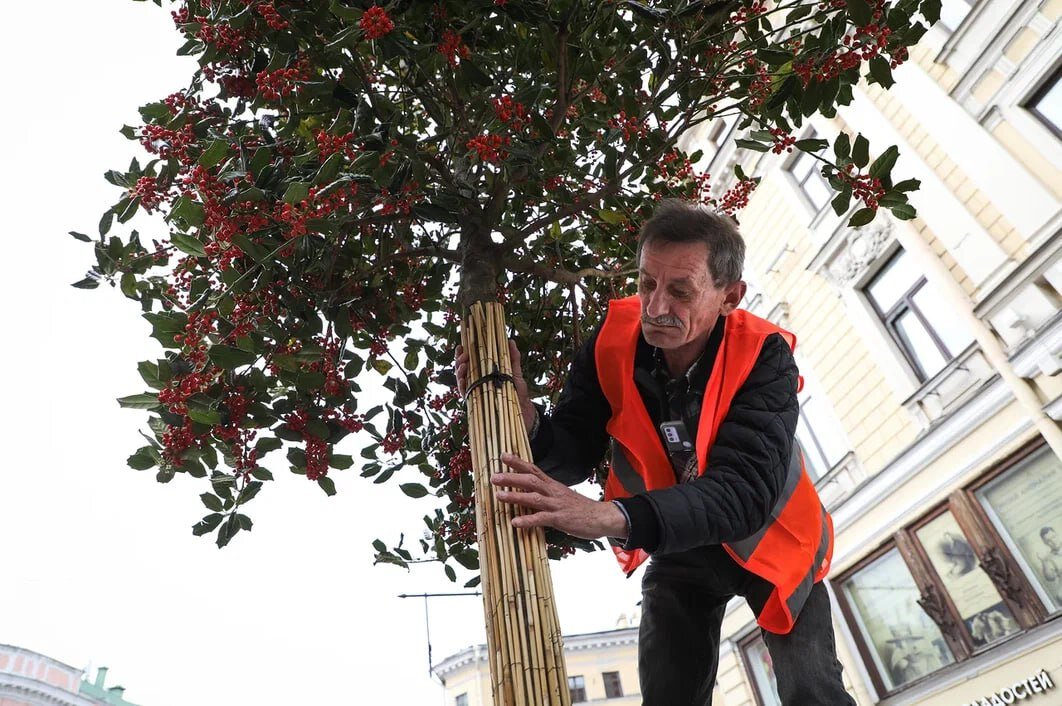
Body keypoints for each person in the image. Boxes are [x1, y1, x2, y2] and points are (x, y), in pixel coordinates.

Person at [455, 200, 853, 705]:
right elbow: (573, 450)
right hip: (679, 539)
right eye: (647, 283)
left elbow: (741, 494)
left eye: (681, 292)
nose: (657, 307)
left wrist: (607, 516)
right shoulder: (613, 338)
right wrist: (524, 414)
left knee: (811, 690)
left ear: (730, 296)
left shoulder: (764, 356)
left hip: (771, 538)